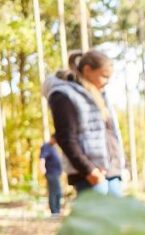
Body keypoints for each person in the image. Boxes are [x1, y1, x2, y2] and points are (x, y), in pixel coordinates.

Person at [42, 50, 125, 197]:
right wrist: (89, 171)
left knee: (117, 218)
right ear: (87, 70)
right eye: (104, 76)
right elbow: (66, 137)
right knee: (96, 219)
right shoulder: (63, 95)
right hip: (89, 175)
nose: (107, 81)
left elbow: (111, 134)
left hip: (112, 171)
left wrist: (122, 166)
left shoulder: (101, 95)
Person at [39, 136, 63, 216]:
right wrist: (42, 168)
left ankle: (57, 211)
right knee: (54, 191)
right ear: (52, 138)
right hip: (51, 173)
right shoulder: (46, 146)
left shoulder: (54, 148)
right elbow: (42, 158)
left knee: (58, 192)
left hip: (56, 173)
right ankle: (54, 211)